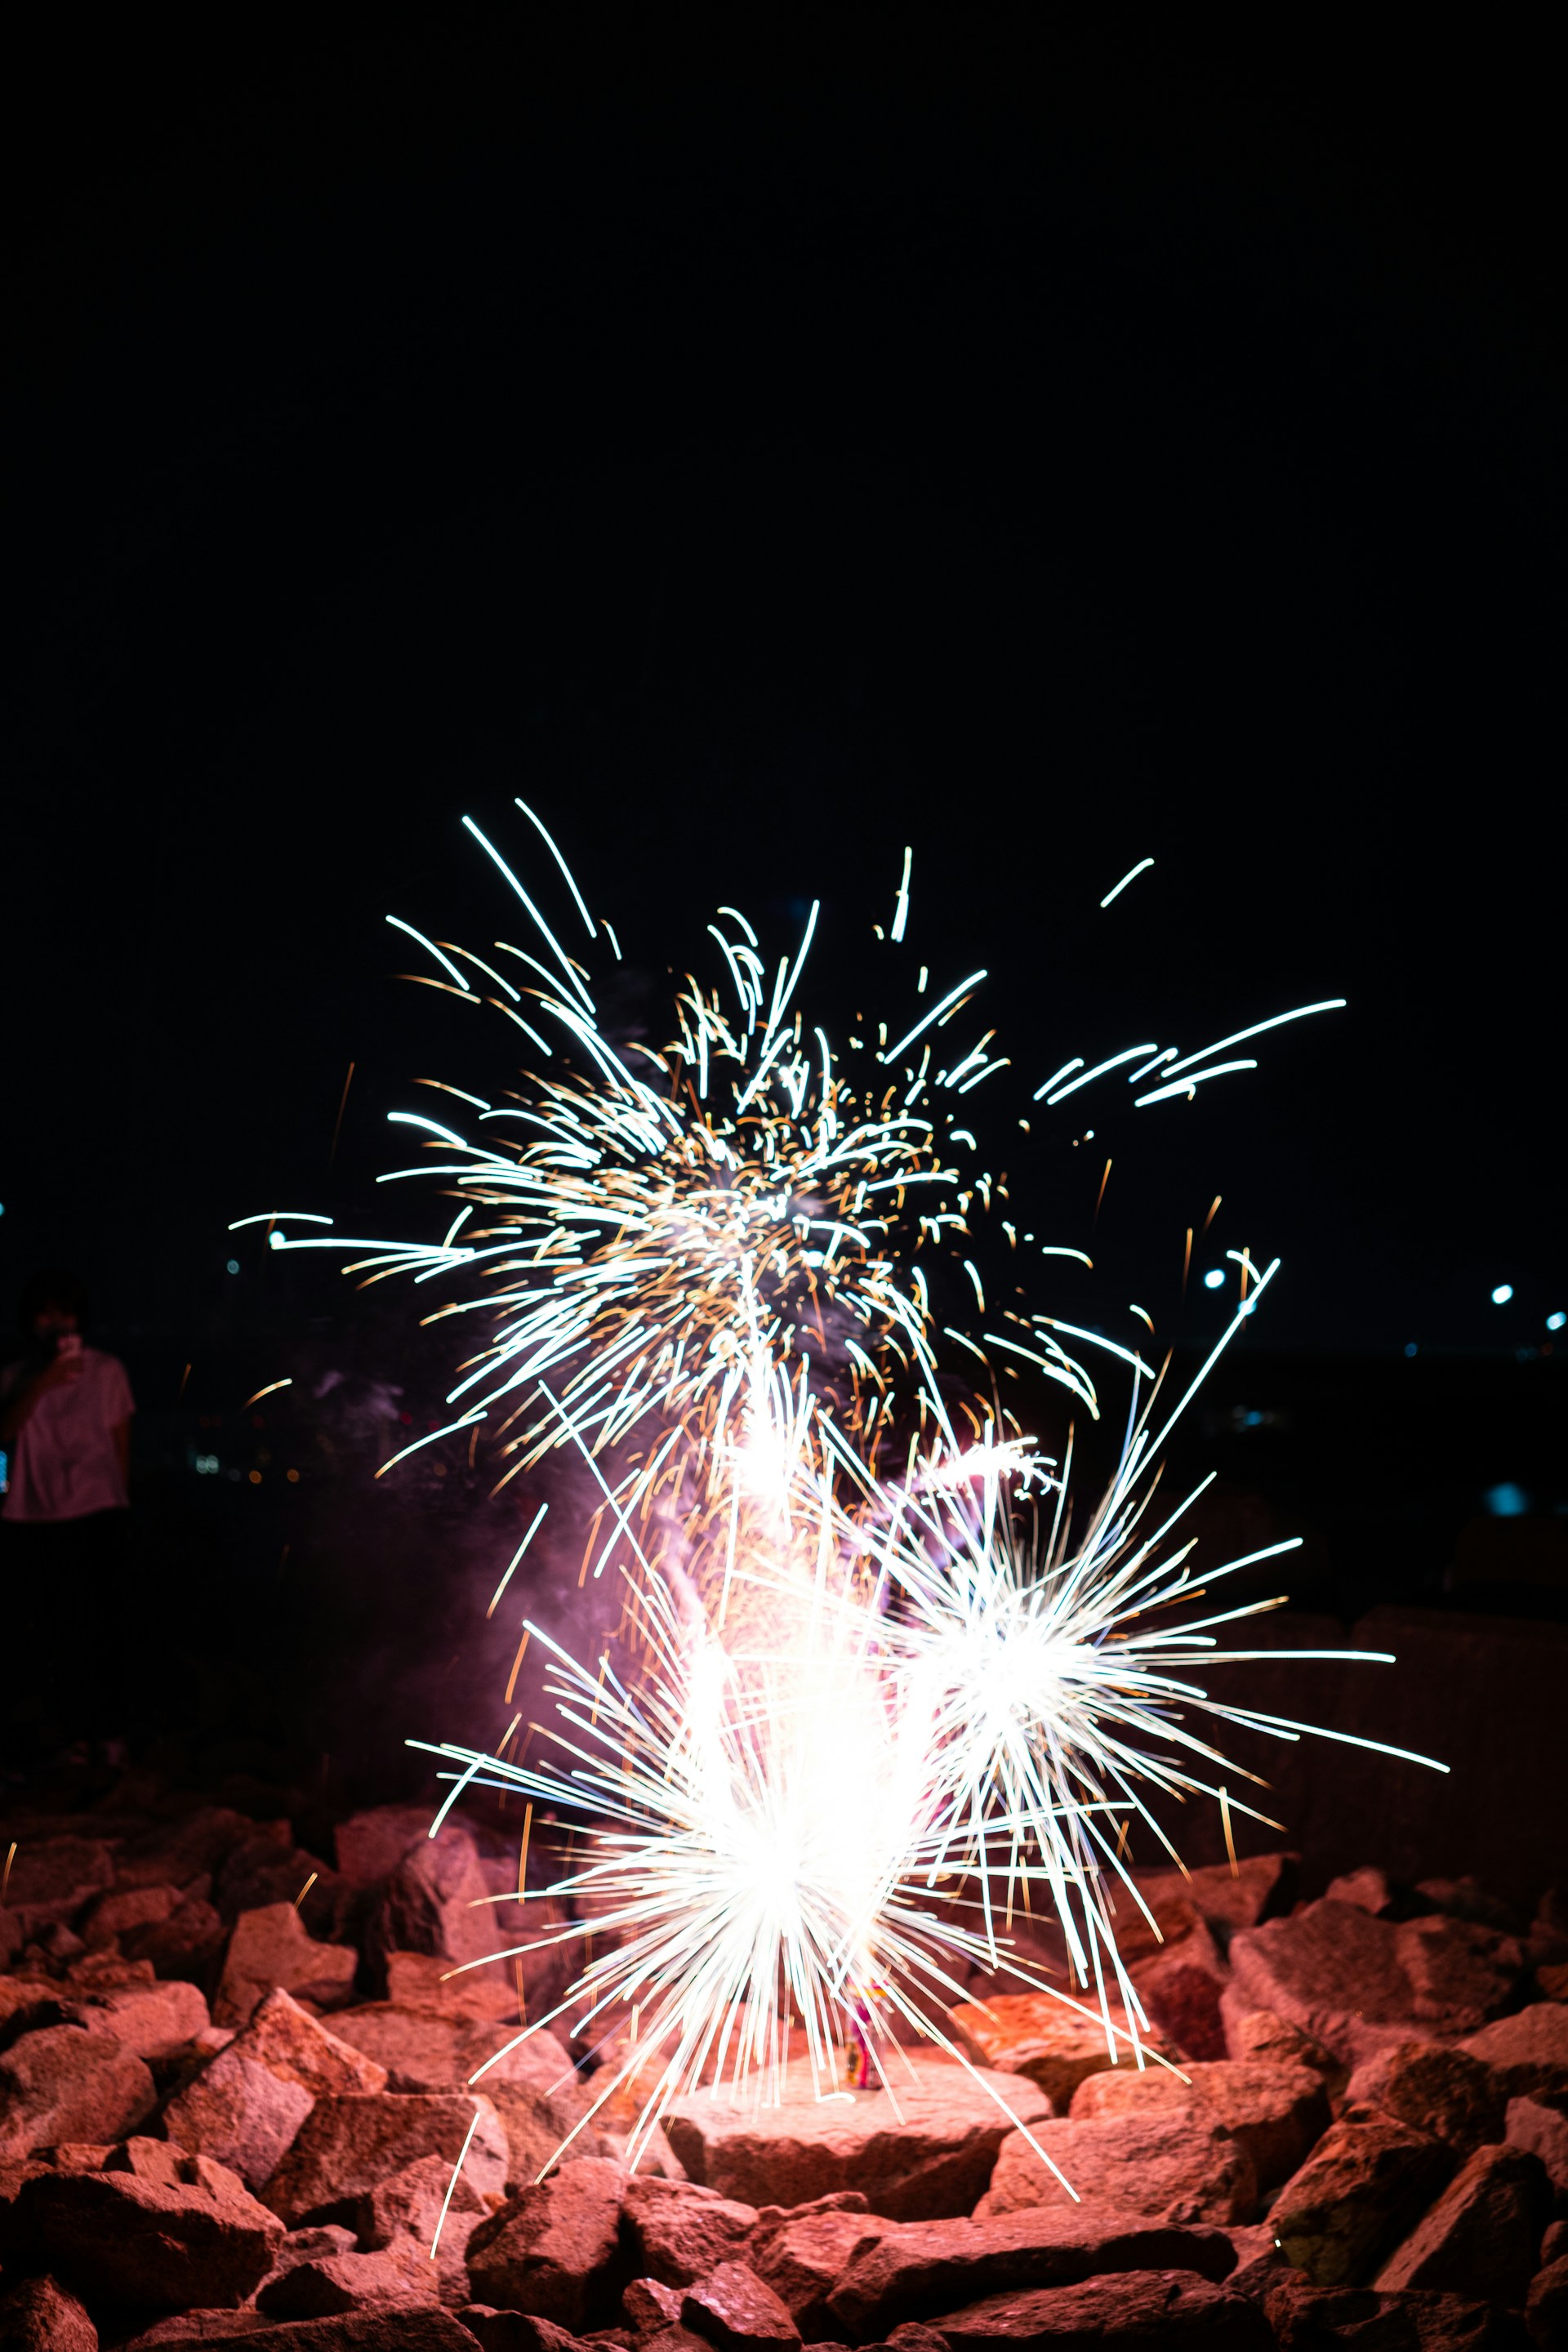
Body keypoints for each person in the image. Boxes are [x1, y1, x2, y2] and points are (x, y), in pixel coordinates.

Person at [0, 1268, 134, 1761]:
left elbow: (121, 1445)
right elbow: (5, 1432)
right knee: (48, 1633)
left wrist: (122, 1504)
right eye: (45, 1313)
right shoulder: (16, 1377)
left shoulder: (106, 1371)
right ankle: (71, 1737)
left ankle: (110, 1735)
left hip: (95, 1510)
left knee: (99, 1626)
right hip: (31, 1515)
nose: (55, 1323)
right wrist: (43, 1382)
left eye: (65, 1313)